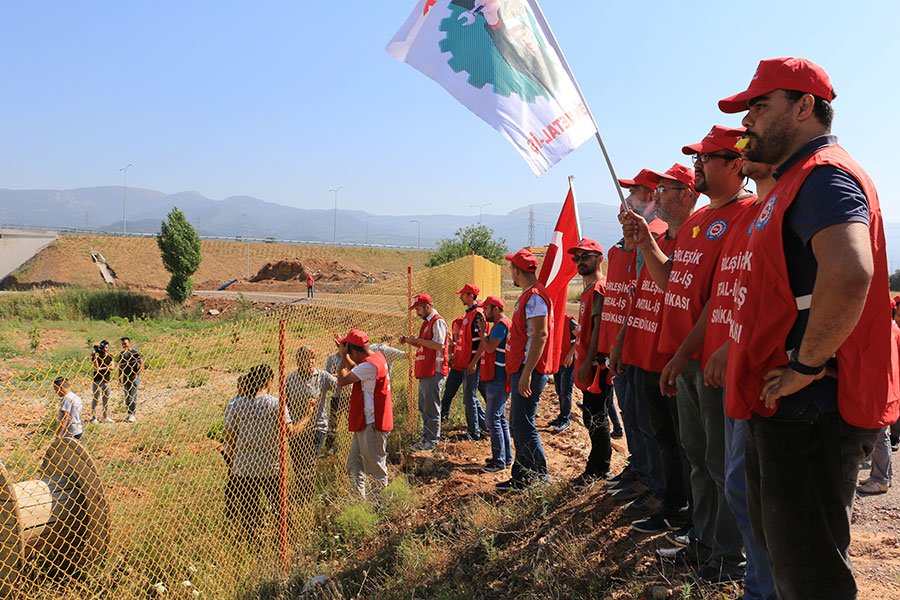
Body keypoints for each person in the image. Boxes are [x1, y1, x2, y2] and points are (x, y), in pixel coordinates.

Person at [719, 57, 898, 599]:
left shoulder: (823, 176)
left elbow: (850, 272)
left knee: (809, 574)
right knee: (786, 558)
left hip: (813, 410)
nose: (747, 121)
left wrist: (805, 364)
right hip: (791, 407)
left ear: (804, 107)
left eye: (759, 106)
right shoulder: (792, 180)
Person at [625, 126, 751, 581]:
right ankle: (704, 541)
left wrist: (683, 355)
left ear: (736, 164)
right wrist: (646, 241)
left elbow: (721, 298)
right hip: (687, 360)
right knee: (697, 456)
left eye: (706, 158)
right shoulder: (698, 222)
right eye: (696, 159)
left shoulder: (746, 214)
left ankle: (729, 558)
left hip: (712, 360)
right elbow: (672, 282)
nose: (698, 165)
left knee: (720, 462)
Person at [703, 155, 779, 600]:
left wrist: (807, 365)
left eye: (707, 157)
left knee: (752, 491)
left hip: (766, 377)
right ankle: (757, 585)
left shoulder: (774, 208)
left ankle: (757, 582)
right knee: (735, 482)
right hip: (734, 370)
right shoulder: (746, 218)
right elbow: (726, 295)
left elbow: (771, 294)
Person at [614, 164, 696, 534]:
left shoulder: (691, 238)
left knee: (685, 444)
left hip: (673, 356)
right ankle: (667, 498)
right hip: (647, 351)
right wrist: (622, 341)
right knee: (659, 433)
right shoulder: (656, 241)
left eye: (659, 190)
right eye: (655, 190)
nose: (630, 199)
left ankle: (686, 512)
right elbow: (639, 294)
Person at [601, 169, 666, 516]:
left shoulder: (657, 236)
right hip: (630, 339)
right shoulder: (630, 242)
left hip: (648, 344)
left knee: (649, 421)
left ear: (652, 197)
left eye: (636, 193)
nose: (627, 200)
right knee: (633, 413)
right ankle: (641, 470)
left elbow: (645, 292)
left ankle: (657, 484)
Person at [224, 364, 306, 542]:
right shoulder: (276, 404)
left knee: (249, 510)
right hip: (270, 466)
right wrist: (308, 415)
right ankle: (286, 539)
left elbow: (230, 436)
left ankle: (254, 541)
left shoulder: (236, 404)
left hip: (244, 467)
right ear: (269, 381)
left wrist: (232, 460)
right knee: (280, 507)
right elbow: (291, 432)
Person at [496, 248, 555, 491]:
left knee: (523, 424)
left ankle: (539, 476)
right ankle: (521, 476)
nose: (510, 272)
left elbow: (540, 335)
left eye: (511, 268)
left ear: (517, 271)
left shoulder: (535, 297)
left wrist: (527, 373)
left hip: (528, 369)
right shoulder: (529, 295)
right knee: (518, 423)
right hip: (522, 368)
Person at [567, 238, 614, 487]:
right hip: (589, 362)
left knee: (597, 417)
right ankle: (595, 466)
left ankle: (600, 469)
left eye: (585, 256)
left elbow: (599, 327)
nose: (580, 262)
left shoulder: (599, 288)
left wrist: (587, 362)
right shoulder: (589, 289)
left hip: (597, 365)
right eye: (577, 258)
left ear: (599, 259)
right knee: (591, 415)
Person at [334, 328, 394, 499]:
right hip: (366, 422)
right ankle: (359, 502)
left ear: (354, 351)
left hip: (372, 425)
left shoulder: (369, 366)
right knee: (355, 465)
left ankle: (380, 506)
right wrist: (347, 354)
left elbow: (342, 380)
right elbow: (357, 369)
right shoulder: (376, 358)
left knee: (376, 469)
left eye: (348, 350)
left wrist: (342, 357)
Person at [399, 293, 448, 451]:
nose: (417, 312)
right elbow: (425, 345)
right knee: (424, 407)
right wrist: (411, 341)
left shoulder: (437, 321)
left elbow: (438, 344)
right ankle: (426, 437)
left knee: (431, 407)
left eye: (418, 309)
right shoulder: (426, 323)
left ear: (427, 307)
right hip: (425, 370)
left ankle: (432, 440)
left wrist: (418, 340)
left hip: (434, 370)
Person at [475, 296, 513, 472]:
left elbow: (489, 348)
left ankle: (499, 461)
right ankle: (505, 457)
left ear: (496, 309)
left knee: (492, 419)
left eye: (486, 309)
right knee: (500, 418)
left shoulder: (500, 326)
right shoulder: (505, 324)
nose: (484, 312)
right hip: (500, 376)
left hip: (498, 378)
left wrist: (483, 333)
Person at [285, 346, 336, 462]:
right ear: (299, 361)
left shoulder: (322, 376)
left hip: (317, 427)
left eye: (313, 358)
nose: (310, 361)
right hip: (298, 428)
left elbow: (339, 386)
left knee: (309, 462)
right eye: (306, 358)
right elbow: (285, 404)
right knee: (298, 463)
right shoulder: (290, 379)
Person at [452, 284, 487, 440]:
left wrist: (473, 363)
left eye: (463, 295)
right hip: (467, 362)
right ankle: (484, 425)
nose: (461, 297)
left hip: (472, 363)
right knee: (470, 396)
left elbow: (482, 342)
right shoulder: (470, 314)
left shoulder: (477, 315)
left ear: (471, 296)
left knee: (469, 398)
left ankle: (474, 432)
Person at [550, 314, 577, 433]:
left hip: (567, 361)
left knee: (566, 391)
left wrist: (570, 354)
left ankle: (566, 419)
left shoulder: (568, 320)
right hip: (556, 360)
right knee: (559, 390)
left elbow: (581, 336)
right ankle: (561, 416)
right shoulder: (550, 319)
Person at [118, 337, 143, 423]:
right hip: (125, 377)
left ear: (129, 343)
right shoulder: (122, 354)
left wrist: (137, 374)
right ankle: (129, 412)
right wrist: (119, 377)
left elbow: (141, 364)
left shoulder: (135, 353)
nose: (124, 345)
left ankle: (132, 414)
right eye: (123, 344)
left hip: (133, 376)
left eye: (125, 343)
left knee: (133, 395)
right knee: (127, 396)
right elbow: (120, 366)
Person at [90, 340, 114, 424]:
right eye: (104, 347)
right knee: (96, 398)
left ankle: (105, 417)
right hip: (97, 380)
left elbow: (112, 367)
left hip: (106, 379)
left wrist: (103, 368)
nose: (105, 349)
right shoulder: (96, 357)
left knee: (106, 399)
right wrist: (95, 356)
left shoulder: (110, 356)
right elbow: (96, 368)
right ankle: (94, 417)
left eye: (106, 347)